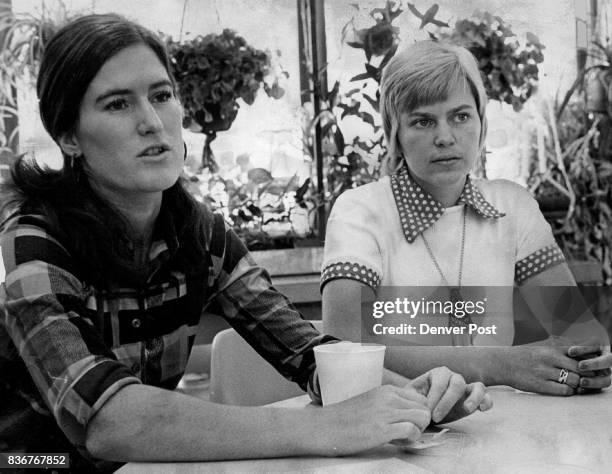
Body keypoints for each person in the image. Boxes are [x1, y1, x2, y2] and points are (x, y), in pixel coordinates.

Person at [0, 15, 492, 473]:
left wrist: (412, 398)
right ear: (68, 135)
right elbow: (109, 422)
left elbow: (306, 351)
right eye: (117, 103)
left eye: (162, 95)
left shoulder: (200, 234)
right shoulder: (34, 241)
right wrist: (325, 426)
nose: (151, 121)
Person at [322, 40, 612, 397]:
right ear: (394, 134)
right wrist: (500, 364)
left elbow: (575, 329)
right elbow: (343, 347)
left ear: (482, 124)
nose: (445, 137)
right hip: (400, 428)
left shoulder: (513, 206)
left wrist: (588, 360)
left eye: (460, 116)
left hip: (501, 427)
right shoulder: (359, 211)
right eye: (423, 121)